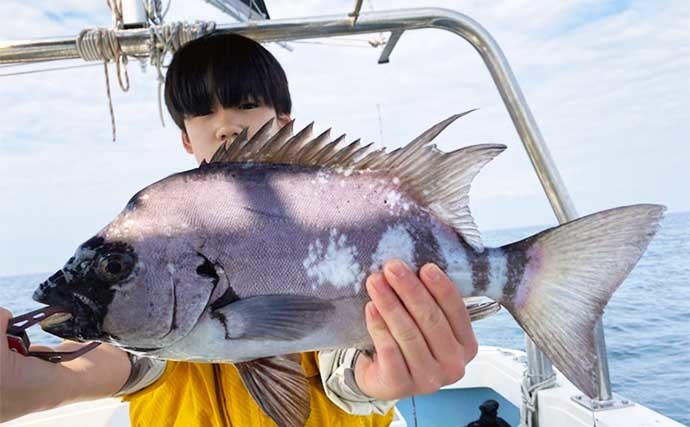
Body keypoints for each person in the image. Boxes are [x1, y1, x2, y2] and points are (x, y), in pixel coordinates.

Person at [0, 33, 477, 426]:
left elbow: (343, 363)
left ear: (283, 122)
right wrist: (48, 383)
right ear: (186, 138)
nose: (226, 126)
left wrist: (378, 375)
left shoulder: (324, 217)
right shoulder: (163, 232)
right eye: (204, 113)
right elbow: (134, 355)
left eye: (245, 105)